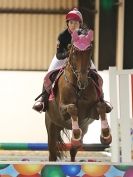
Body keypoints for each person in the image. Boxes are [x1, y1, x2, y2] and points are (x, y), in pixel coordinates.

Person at [32, 8, 113, 113]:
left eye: (76, 22)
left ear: (80, 23)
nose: (73, 25)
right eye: (71, 22)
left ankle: (101, 98)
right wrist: (68, 54)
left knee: (96, 75)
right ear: (67, 23)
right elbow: (59, 54)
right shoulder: (62, 36)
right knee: (49, 75)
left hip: (81, 60)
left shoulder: (84, 34)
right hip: (62, 58)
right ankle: (43, 100)